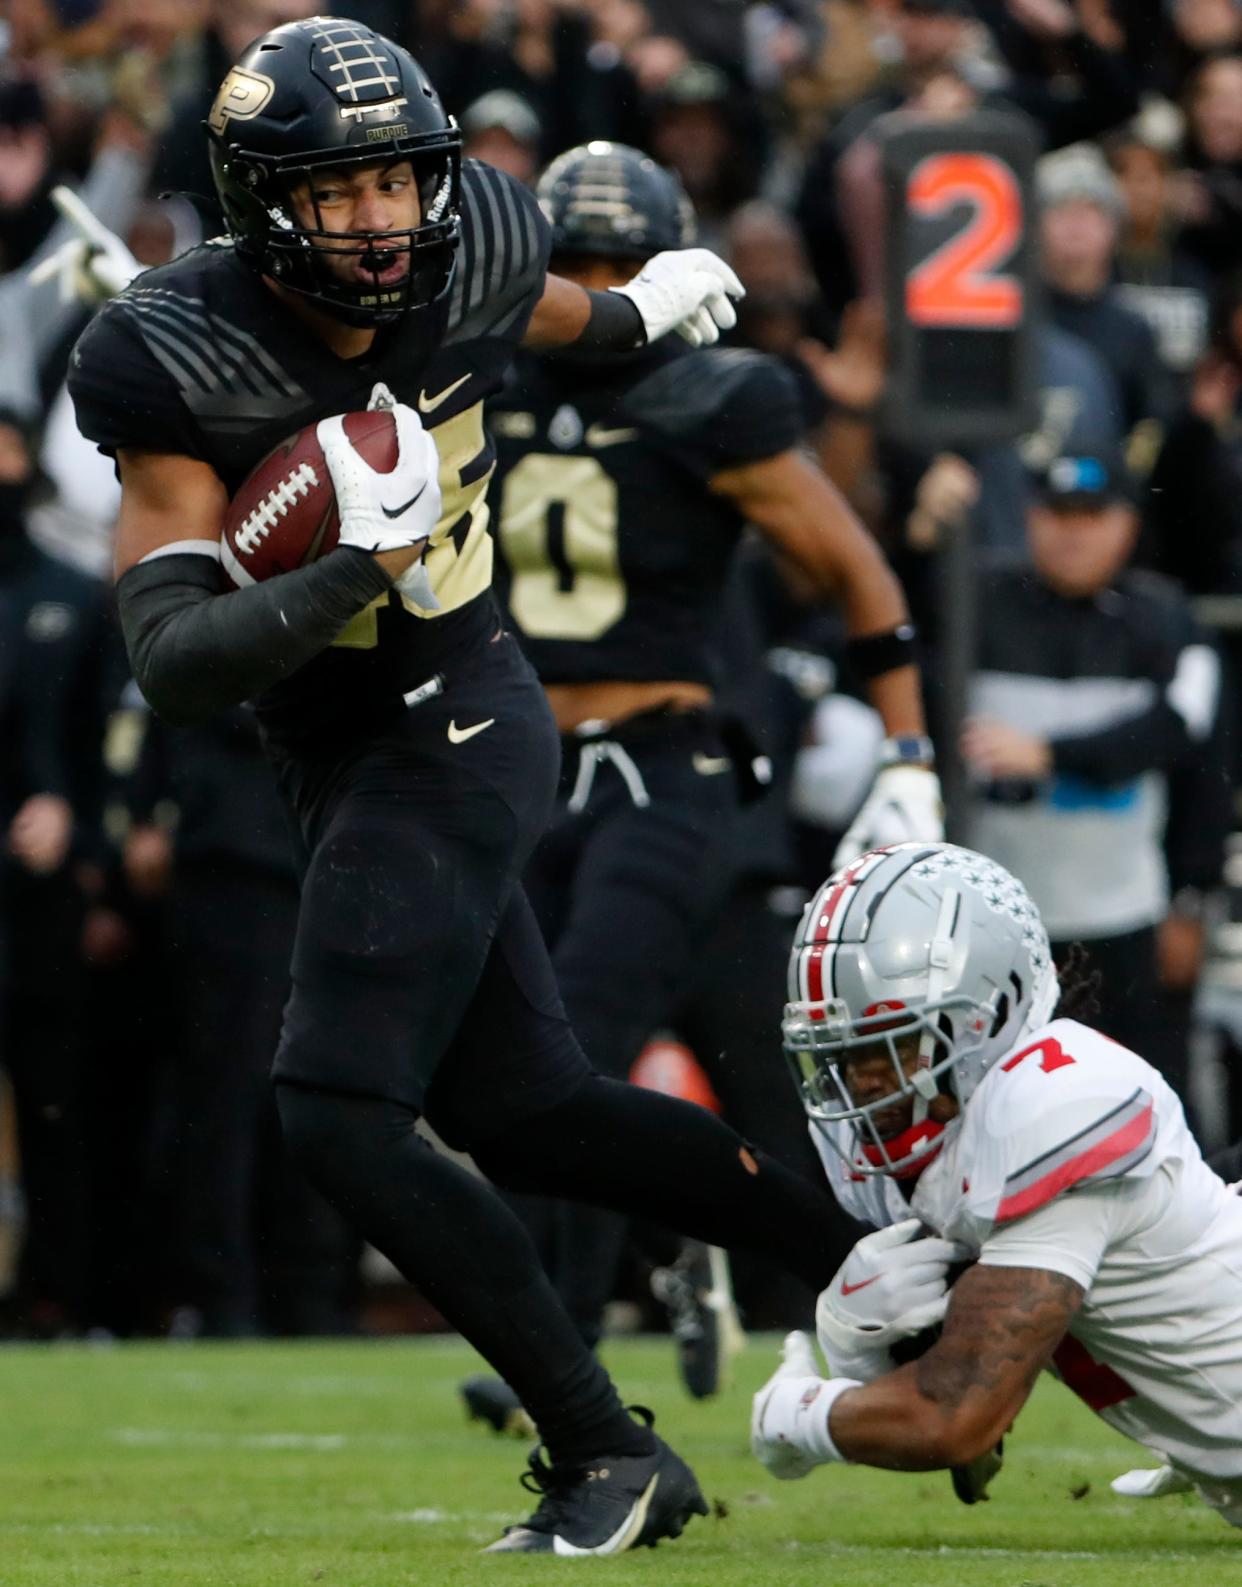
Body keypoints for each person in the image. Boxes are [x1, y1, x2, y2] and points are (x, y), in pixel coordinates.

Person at [66, 16, 859, 1556]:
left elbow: (572, 320)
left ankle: (603, 1447)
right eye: (338, 191)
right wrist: (340, 559)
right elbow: (171, 658)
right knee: (533, 1107)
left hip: (456, 718)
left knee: (336, 1106)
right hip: (327, 734)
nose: (378, 223)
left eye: (397, 186)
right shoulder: (173, 351)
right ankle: (862, 1246)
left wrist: (645, 313)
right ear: (256, 194)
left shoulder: (476, 238)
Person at [475, 141, 936, 1402]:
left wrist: (908, 750)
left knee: (565, 1049)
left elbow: (857, 572)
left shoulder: (712, 396)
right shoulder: (483, 373)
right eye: (574, 260)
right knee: (513, 1067)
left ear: (676, 267)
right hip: (518, 764)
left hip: (661, 769)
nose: (599, 281)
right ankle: (676, 1269)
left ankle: (563, 1344)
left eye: (625, 260)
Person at [749, 841, 1242, 1531]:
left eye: (886, 1046)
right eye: (838, 1053)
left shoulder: (1050, 1108)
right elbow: (960, 1423)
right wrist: (865, 1348)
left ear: (983, 1016)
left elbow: (955, 1418)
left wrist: (798, 1416)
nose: (860, 1082)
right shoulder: (947, 1138)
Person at [960, 450, 1224, 1098]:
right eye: (1056, 514)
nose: (1072, 532)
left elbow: (1185, 728)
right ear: (1029, 518)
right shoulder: (977, 602)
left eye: (1092, 515)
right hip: (999, 928)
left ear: (1126, 525)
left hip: (1122, 918)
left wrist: (1052, 754)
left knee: (1142, 1095)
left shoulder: (1162, 617)